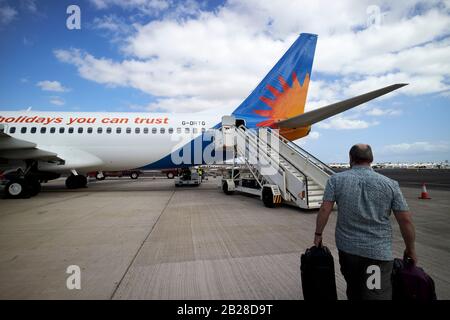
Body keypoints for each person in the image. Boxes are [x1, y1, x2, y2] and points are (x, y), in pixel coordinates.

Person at [313, 144, 417, 300]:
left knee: (354, 289)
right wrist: (410, 249)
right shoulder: (390, 184)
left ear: (350, 158)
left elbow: (324, 210)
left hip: (348, 251)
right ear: (371, 159)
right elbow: (406, 220)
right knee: (374, 293)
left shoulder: (335, 180)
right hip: (376, 254)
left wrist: (318, 234)